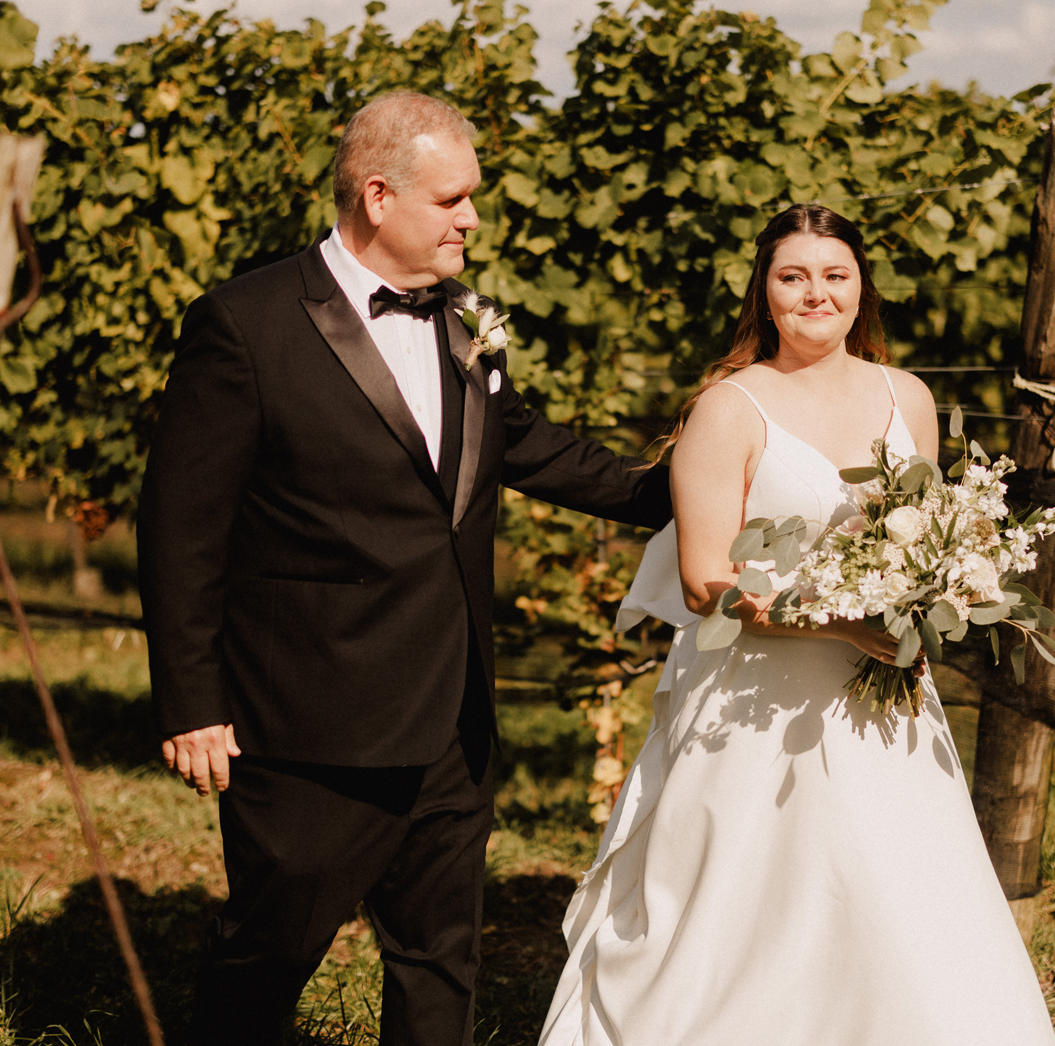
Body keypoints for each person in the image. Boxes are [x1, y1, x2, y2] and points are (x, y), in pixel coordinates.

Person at [139, 91, 672, 1046]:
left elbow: (524, 444)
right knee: (268, 952)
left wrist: (681, 487)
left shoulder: (468, 319)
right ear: (379, 196)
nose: (473, 218)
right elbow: (181, 526)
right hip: (308, 716)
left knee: (440, 963)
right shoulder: (243, 323)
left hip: (453, 714)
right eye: (454, 199)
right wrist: (190, 699)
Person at [536, 204, 1055, 1045]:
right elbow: (709, 582)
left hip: (882, 693)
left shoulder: (908, 397)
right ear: (764, 293)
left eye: (834, 274)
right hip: (755, 699)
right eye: (793, 276)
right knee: (754, 906)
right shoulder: (730, 409)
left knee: (898, 892)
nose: (816, 292)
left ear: (861, 289)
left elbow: (924, 528)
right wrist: (840, 624)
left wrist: (932, 595)